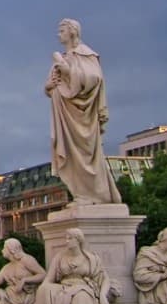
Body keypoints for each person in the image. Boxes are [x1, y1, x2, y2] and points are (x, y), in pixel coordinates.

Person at [45, 18, 121, 205]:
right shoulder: (63, 57)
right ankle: (81, 194)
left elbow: (94, 78)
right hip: (66, 116)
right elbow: (51, 85)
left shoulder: (87, 55)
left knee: (87, 154)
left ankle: (95, 194)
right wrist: (49, 85)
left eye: (61, 30)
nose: (58, 34)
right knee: (71, 156)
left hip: (83, 115)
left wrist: (67, 69)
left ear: (72, 31)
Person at [35, 228, 115, 304]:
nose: (66, 241)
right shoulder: (59, 257)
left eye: (70, 238)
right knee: (43, 289)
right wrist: (39, 297)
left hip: (83, 287)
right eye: (66, 238)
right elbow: (48, 279)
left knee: (81, 297)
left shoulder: (91, 258)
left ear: (78, 240)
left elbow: (104, 278)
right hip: (64, 287)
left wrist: (102, 295)